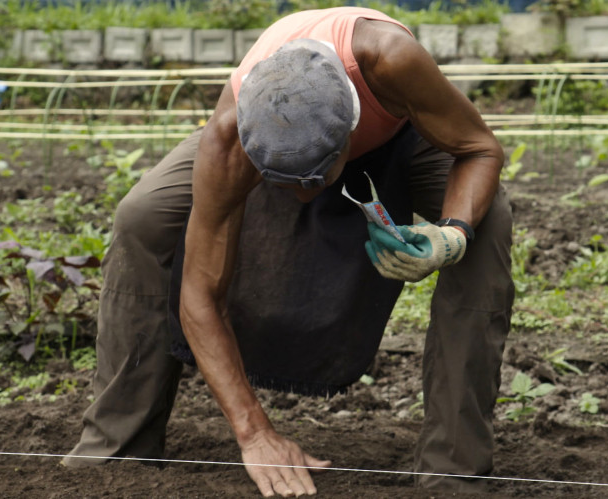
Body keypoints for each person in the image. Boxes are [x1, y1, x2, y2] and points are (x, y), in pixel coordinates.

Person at [63, 7, 514, 497]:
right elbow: (200, 295)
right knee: (142, 217)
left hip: (397, 125)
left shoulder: (391, 61)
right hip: (268, 128)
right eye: (287, 183)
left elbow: (479, 148)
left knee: (488, 224)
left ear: (346, 140)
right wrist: (254, 433)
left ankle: (454, 469)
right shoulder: (231, 134)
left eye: (315, 181)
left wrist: (452, 234)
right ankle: (117, 447)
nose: (304, 197)